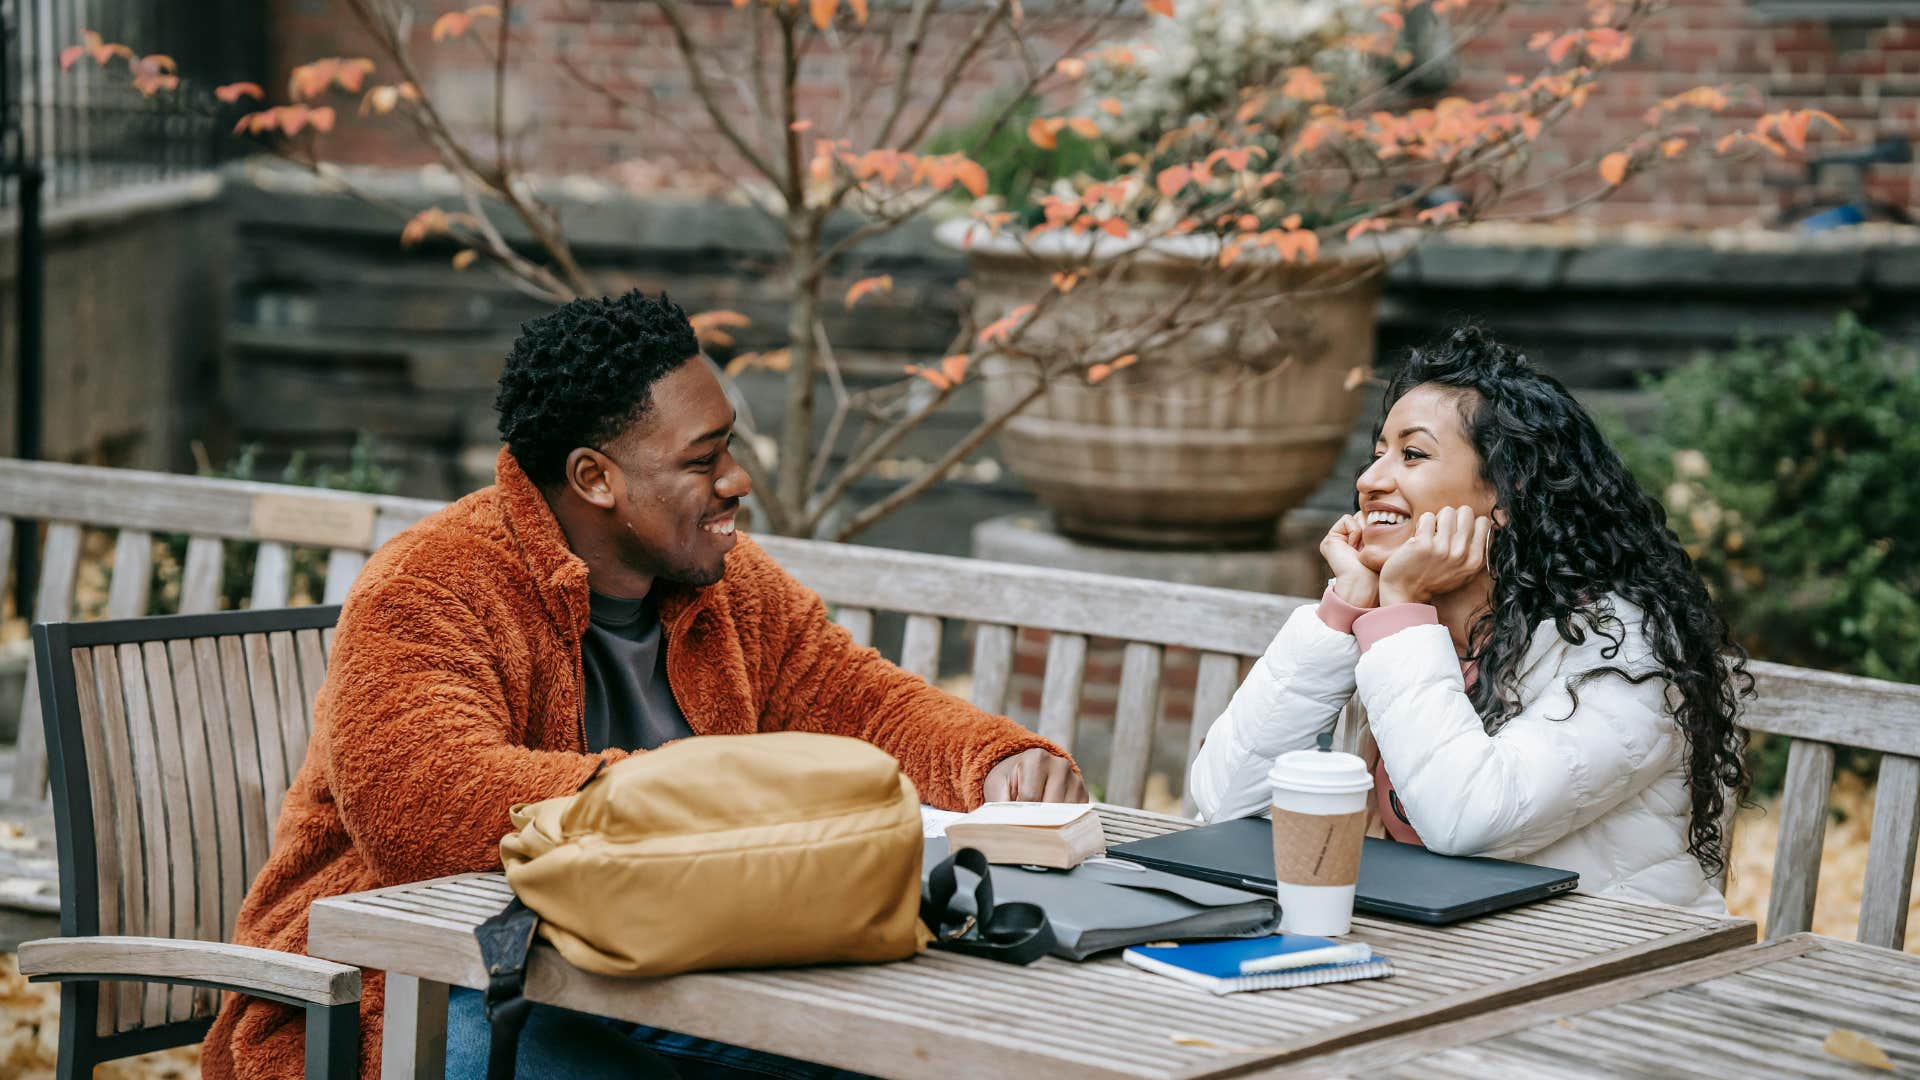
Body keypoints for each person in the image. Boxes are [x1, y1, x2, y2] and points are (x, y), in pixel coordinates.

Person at [203, 291, 1085, 1080]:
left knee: (905, 1055)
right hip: (412, 989)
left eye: (731, 446)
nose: (737, 481)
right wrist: (687, 797)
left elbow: (865, 701)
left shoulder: (726, 586)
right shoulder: (432, 585)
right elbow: (424, 800)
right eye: (704, 460)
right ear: (596, 478)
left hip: (660, 978)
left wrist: (993, 756)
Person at [1188, 326, 1751, 914]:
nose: (1370, 480)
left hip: (1603, 970)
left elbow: (1467, 818)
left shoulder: (1621, 647)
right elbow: (1222, 803)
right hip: (1438, 954)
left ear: (1507, 494)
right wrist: (1342, 609)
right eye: (1377, 452)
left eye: (1412, 454)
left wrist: (1401, 608)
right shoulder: (1382, 629)